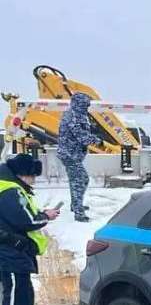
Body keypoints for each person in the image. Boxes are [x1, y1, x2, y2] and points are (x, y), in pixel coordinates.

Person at [0, 153, 61, 305]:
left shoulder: (14, 188)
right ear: (23, 174)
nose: (34, 180)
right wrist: (47, 216)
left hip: (19, 250)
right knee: (15, 296)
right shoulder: (10, 190)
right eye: (33, 176)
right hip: (10, 251)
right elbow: (25, 220)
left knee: (25, 294)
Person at [56, 93, 101, 222]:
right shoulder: (72, 116)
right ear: (78, 104)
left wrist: (93, 130)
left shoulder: (79, 114)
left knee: (75, 180)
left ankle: (75, 205)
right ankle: (79, 213)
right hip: (69, 155)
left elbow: (84, 131)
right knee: (81, 180)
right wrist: (97, 140)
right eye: (85, 105)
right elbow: (81, 136)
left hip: (74, 154)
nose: (87, 107)